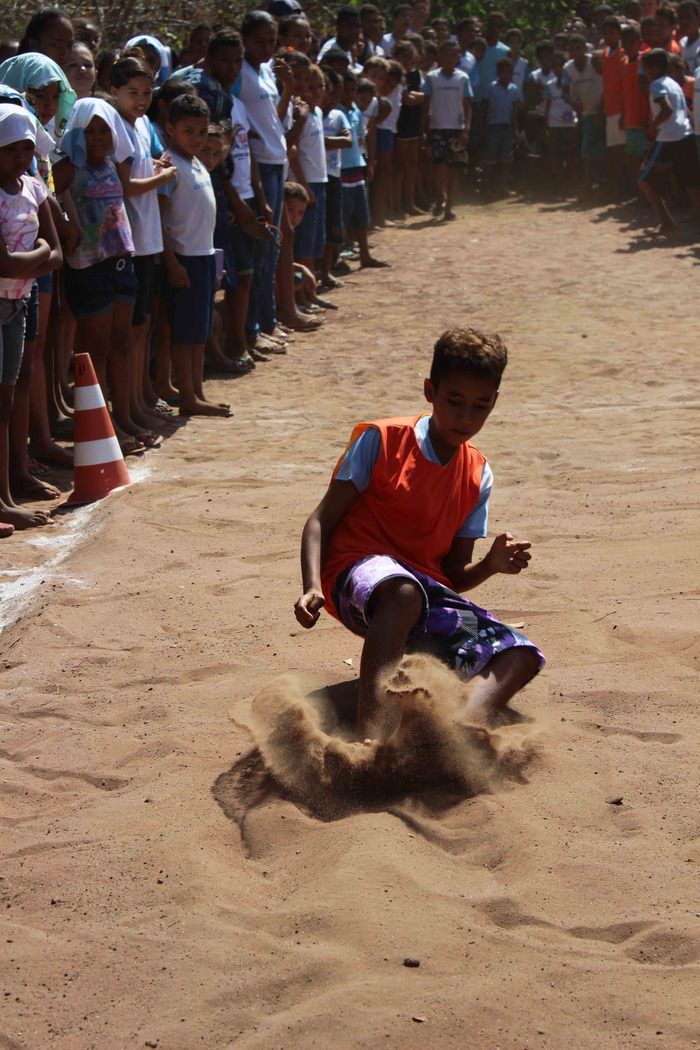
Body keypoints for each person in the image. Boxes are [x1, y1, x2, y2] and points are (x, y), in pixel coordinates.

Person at [295, 326, 545, 740]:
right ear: (430, 391)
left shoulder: (478, 473)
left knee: (517, 655)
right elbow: (319, 520)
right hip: (357, 578)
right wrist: (311, 586)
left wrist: (489, 565)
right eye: (454, 401)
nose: (466, 417)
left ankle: (450, 736)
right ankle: (372, 741)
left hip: (425, 597)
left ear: (495, 403)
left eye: (480, 406)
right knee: (402, 591)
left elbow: (453, 576)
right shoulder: (382, 440)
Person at [0, 106, 62, 531]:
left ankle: (6, 494)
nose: (20, 158)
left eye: (26, 149)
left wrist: (36, 257)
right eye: (10, 150)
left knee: (5, 402)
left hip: (18, 304)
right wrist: (38, 253)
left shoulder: (33, 187)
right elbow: (6, 263)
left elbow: (58, 254)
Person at [110, 55, 177, 434]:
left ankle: (138, 401)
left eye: (146, 92)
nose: (140, 99)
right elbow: (125, 186)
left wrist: (154, 168)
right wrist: (161, 177)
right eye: (132, 92)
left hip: (148, 238)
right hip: (131, 241)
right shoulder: (118, 126)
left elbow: (138, 173)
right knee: (131, 333)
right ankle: (129, 409)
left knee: (143, 328)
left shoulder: (141, 125)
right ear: (114, 91)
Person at [157, 93, 231, 418]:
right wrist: (172, 262)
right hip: (183, 258)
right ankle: (187, 394)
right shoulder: (168, 165)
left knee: (199, 332)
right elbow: (160, 219)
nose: (196, 138)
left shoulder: (197, 162)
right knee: (185, 333)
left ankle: (197, 391)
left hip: (203, 256)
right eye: (188, 131)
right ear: (170, 128)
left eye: (201, 131)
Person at [638, 47, 700, 228]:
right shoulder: (673, 83)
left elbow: (666, 110)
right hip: (685, 135)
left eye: (646, 69)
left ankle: (666, 220)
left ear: (655, 68)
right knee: (690, 180)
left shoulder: (656, 85)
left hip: (667, 138)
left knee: (643, 179)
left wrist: (653, 124)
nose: (645, 73)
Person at [338, 69, 388, 268]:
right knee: (342, 214)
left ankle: (365, 255)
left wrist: (368, 162)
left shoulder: (356, 112)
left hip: (357, 166)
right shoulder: (335, 112)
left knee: (361, 213)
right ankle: (338, 256)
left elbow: (361, 140)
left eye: (352, 90)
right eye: (346, 90)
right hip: (341, 168)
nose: (349, 94)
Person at [422, 40, 473, 220]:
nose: (452, 58)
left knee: (454, 169)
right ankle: (440, 197)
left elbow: (467, 106)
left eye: (455, 55)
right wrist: (424, 130)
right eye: (448, 55)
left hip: (456, 129)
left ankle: (449, 204)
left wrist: (466, 129)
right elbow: (425, 105)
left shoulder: (463, 78)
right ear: (440, 57)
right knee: (439, 167)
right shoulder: (432, 77)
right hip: (437, 127)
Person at [321, 67, 352, 288]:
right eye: (330, 94)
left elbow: (348, 141)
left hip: (332, 175)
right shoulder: (310, 114)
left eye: (336, 95)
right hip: (313, 176)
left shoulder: (338, 115)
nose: (333, 100)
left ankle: (326, 271)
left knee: (332, 223)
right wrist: (332, 141)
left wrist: (324, 142)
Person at [563, 34, 605, 192]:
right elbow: (564, 92)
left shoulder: (594, 60)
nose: (576, 52)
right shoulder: (568, 68)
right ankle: (589, 182)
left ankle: (601, 181)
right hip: (586, 112)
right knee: (587, 148)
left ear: (585, 48)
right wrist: (573, 103)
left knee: (603, 146)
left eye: (579, 48)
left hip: (603, 109)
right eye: (572, 49)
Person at [594, 16, 626, 199]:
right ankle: (616, 189)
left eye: (612, 32)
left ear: (619, 33)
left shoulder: (622, 53)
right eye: (605, 33)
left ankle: (623, 190)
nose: (608, 36)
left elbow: (624, 84)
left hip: (620, 108)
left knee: (621, 151)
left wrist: (625, 110)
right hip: (609, 108)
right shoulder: (606, 54)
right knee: (612, 151)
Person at [483, 56, 520, 194]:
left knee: (506, 159)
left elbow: (514, 111)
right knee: (490, 157)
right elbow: (484, 107)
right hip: (493, 126)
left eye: (510, 72)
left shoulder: (514, 89)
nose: (507, 75)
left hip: (507, 127)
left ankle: (504, 187)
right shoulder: (491, 88)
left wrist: (515, 129)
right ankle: (487, 187)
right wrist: (483, 126)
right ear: (498, 73)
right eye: (504, 72)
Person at [620, 24, 650, 189]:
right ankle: (637, 190)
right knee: (632, 155)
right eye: (625, 42)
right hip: (630, 118)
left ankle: (647, 191)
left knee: (645, 156)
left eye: (632, 41)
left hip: (644, 117)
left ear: (639, 42)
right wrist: (624, 114)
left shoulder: (644, 60)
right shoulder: (623, 62)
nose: (628, 45)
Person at [544, 51, 579, 187]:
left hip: (569, 124)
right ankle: (561, 181)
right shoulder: (549, 85)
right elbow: (548, 105)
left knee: (571, 153)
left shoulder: (572, 84)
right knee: (556, 154)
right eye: (555, 65)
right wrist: (546, 124)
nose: (558, 68)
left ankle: (572, 182)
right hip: (554, 124)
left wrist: (576, 120)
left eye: (561, 65)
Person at [678, 1, 700, 73]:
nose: (684, 21)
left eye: (688, 17)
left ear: (698, 18)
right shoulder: (682, 43)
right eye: (681, 17)